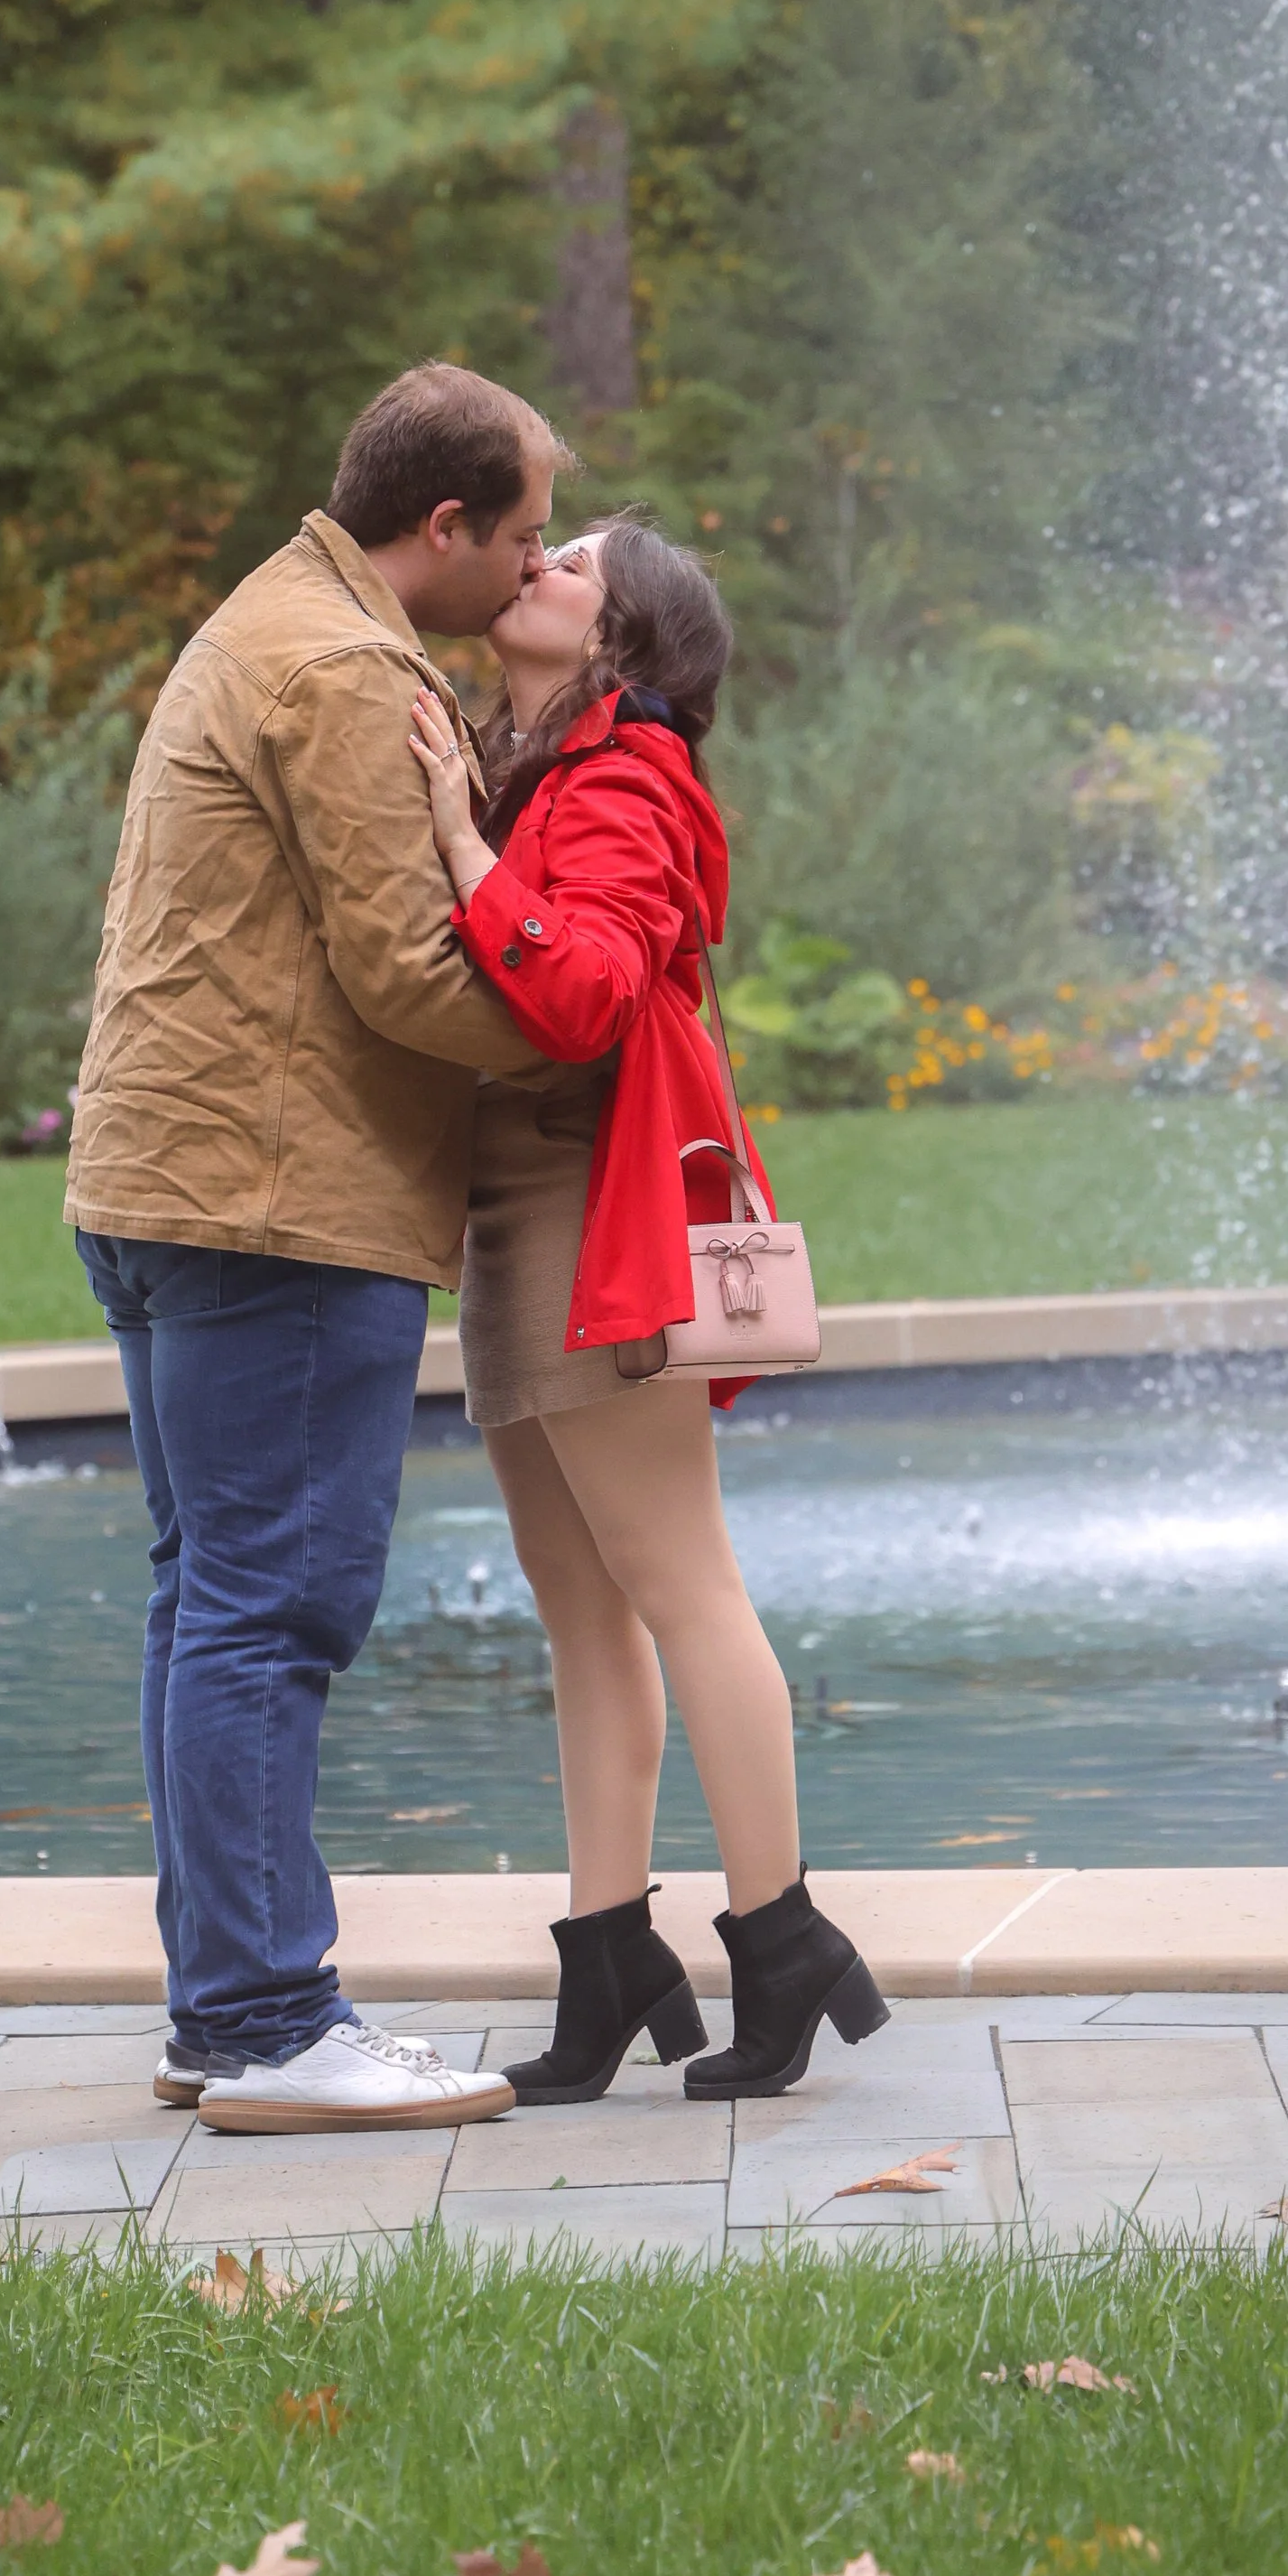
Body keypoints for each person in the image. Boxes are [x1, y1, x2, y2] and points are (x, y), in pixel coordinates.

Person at [67, 360, 577, 2134]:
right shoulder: (347, 667)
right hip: (272, 1206)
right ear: (437, 524)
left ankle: (225, 2007)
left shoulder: (271, 616)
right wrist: (610, 1028)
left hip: (161, 1188)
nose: (526, 575)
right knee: (269, 1612)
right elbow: (412, 973)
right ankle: (275, 2023)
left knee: (207, 1606)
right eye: (514, 541)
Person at [407, 516, 888, 2101]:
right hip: (514, 1206)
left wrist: (464, 849)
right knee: (579, 1604)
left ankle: (782, 1933)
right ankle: (610, 1951)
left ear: (622, 638)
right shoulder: (534, 760)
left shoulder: (625, 776)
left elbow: (590, 991)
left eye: (567, 564)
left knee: (682, 1583)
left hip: (588, 1204)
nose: (530, 566)